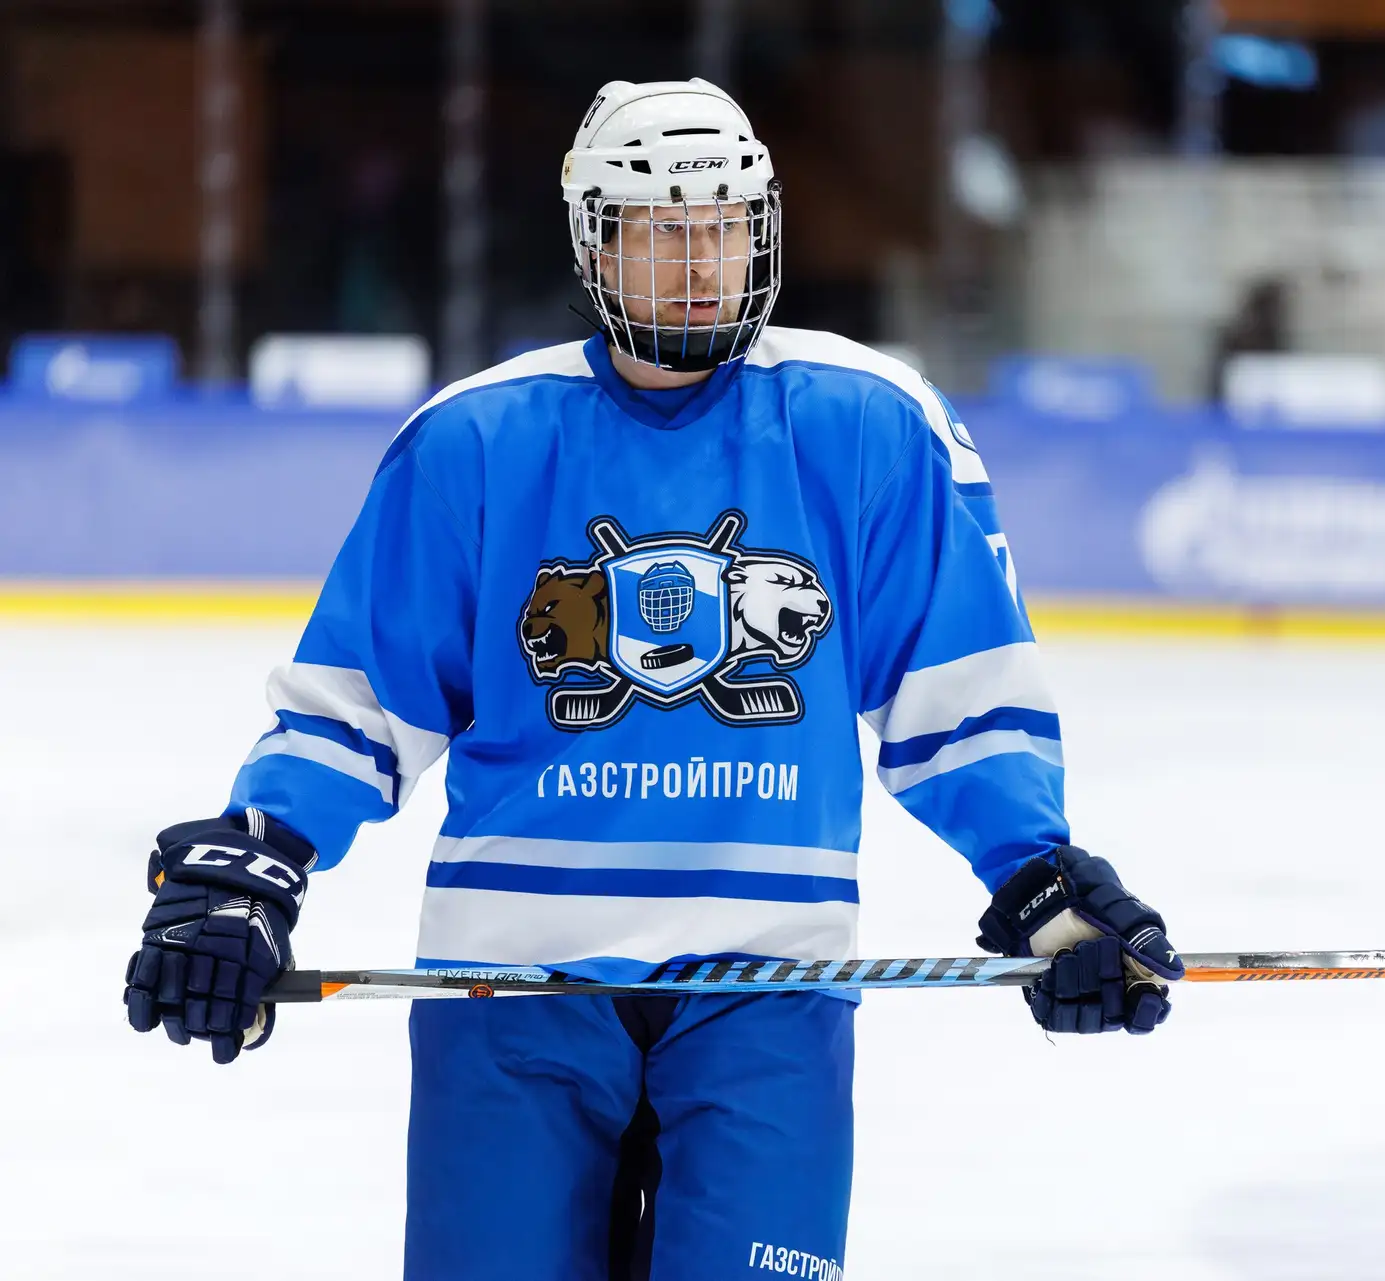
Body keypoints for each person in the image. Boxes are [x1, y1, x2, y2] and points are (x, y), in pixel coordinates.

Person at [120, 79, 1183, 1280]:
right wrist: (255, 866)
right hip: (507, 987)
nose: (699, 264)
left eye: (724, 228)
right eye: (662, 232)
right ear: (594, 242)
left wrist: (1041, 879)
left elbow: (961, 695)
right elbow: (359, 705)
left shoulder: (869, 425)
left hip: (770, 985)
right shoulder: (476, 440)